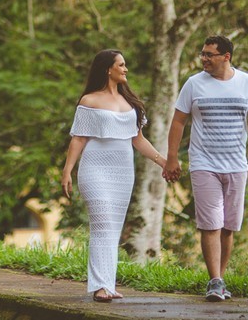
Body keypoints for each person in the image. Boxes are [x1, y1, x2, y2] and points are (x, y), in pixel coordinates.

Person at [163, 35, 248, 302]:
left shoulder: (247, 83)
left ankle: (220, 279)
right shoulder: (193, 84)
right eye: (203, 54)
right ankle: (215, 281)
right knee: (211, 224)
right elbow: (178, 121)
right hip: (204, 163)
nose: (204, 59)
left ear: (226, 56)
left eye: (209, 54)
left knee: (228, 226)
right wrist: (172, 157)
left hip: (236, 164)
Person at [61, 49, 168, 303]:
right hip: (95, 168)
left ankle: (108, 284)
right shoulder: (89, 101)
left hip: (122, 171)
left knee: (113, 227)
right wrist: (67, 171)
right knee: (103, 224)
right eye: (121, 65)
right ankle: (100, 286)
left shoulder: (131, 103)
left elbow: (138, 140)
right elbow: (78, 138)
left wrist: (164, 162)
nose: (125, 69)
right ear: (108, 69)